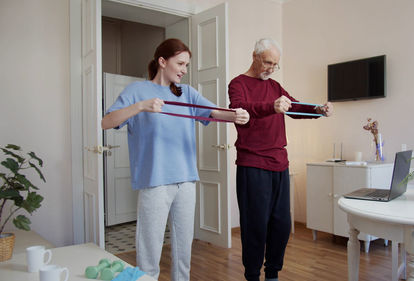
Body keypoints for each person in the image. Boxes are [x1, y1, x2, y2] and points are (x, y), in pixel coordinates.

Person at [102, 38, 250, 281]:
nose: (183, 69)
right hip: (155, 183)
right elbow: (107, 122)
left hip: (186, 182)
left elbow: (213, 112)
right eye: (180, 63)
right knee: (149, 252)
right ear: (162, 61)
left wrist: (236, 115)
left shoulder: (187, 93)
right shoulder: (137, 92)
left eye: (187, 65)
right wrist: (141, 107)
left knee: (183, 252)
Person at [228, 38, 333, 281]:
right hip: (252, 165)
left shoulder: (275, 86)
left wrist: (318, 110)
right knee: (255, 226)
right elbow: (241, 108)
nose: (271, 69)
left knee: (281, 224)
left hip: (279, 163)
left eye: (275, 65)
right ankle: (253, 275)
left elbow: (294, 107)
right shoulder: (238, 84)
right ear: (254, 57)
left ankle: (272, 273)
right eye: (267, 62)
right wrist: (270, 106)